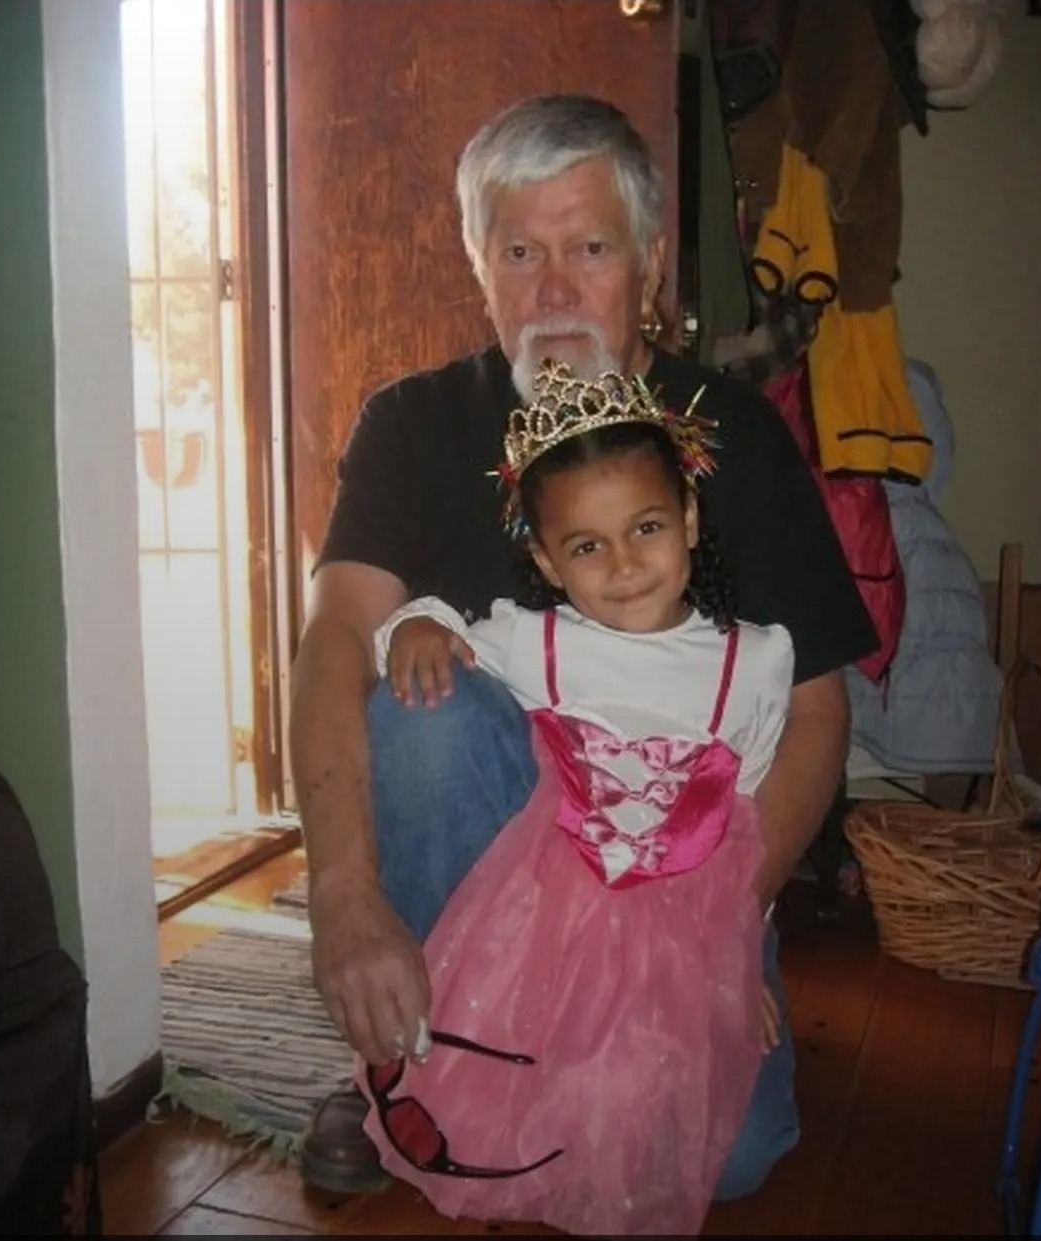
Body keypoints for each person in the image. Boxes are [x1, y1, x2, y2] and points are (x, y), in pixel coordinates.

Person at [289, 93, 876, 1199]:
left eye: (591, 249)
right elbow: (335, 641)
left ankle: (556, 1070)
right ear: (479, 266)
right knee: (422, 703)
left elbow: (813, 710)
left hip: (684, 866)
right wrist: (342, 896)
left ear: (649, 264)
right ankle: (418, 1052)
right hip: (494, 856)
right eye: (521, 252)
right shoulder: (408, 424)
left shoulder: (740, 437)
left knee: (729, 1161)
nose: (554, 292)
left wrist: (722, 917)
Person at [355, 360, 792, 1236]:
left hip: (686, 931)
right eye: (587, 546)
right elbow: (423, 630)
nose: (625, 565)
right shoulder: (536, 642)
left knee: (733, 1159)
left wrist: (740, 953)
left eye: (647, 528)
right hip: (552, 920)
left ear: (690, 518)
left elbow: (747, 817)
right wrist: (415, 624)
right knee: (523, 1098)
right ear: (547, 562)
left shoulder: (754, 662)